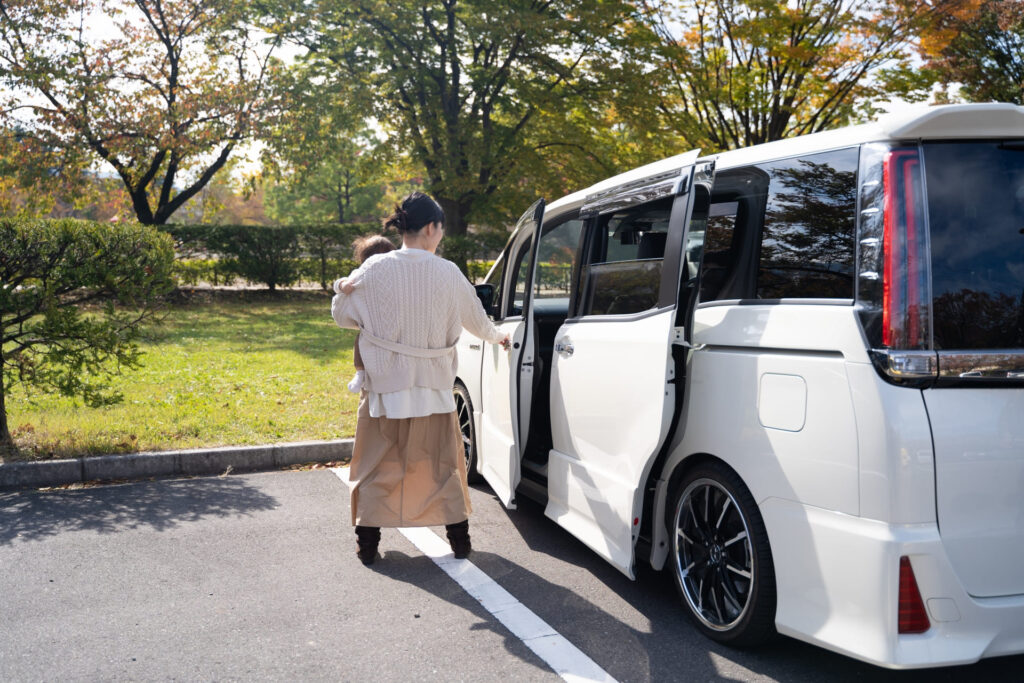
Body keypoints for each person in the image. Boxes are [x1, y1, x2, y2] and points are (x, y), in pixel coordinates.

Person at [330, 192, 509, 565]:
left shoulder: (373, 269)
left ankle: (368, 545)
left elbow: (342, 315)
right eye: (439, 230)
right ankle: (459, 540)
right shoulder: (448, 272)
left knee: (376, 466)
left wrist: (344, 287)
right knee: (443, 466)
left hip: (384, 390)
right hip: (434, 389)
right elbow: (476, 321)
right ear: (431, 228)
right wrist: (499, 337)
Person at [341, 235, 396, 394]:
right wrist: (342, 285)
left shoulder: (396, 275)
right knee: (361, 338)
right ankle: (360, 372)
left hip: (392, 320)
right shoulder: (361, 274)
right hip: (370, 322)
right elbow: (341, 283)